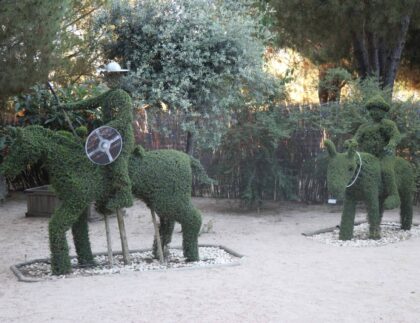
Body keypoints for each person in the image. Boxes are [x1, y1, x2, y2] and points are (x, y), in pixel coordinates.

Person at [65, 62, 134, 212]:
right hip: (108, 137)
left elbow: (124, 120)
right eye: (107, 76)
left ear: (119, 76)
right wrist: (67, 106)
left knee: (118, 164)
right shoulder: (107, 96)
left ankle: (125, 194)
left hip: (122, 138)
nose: (109, 79)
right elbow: (89, 102)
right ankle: (105, 195)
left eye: (113, 76)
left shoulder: (124, 97)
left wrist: (104, 129)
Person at [348, 95, 401, 209]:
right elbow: (356, 138)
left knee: (386, 169)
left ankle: (393, 195)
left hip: (385, 155)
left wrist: (391, 144)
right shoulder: (364, 126)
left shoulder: (388, 124)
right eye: (372, 110)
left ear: (383, 111)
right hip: (368, 156)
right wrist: (351, 143)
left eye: (377, 110)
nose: (374, 112)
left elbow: (395, 136)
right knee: (354, 168)